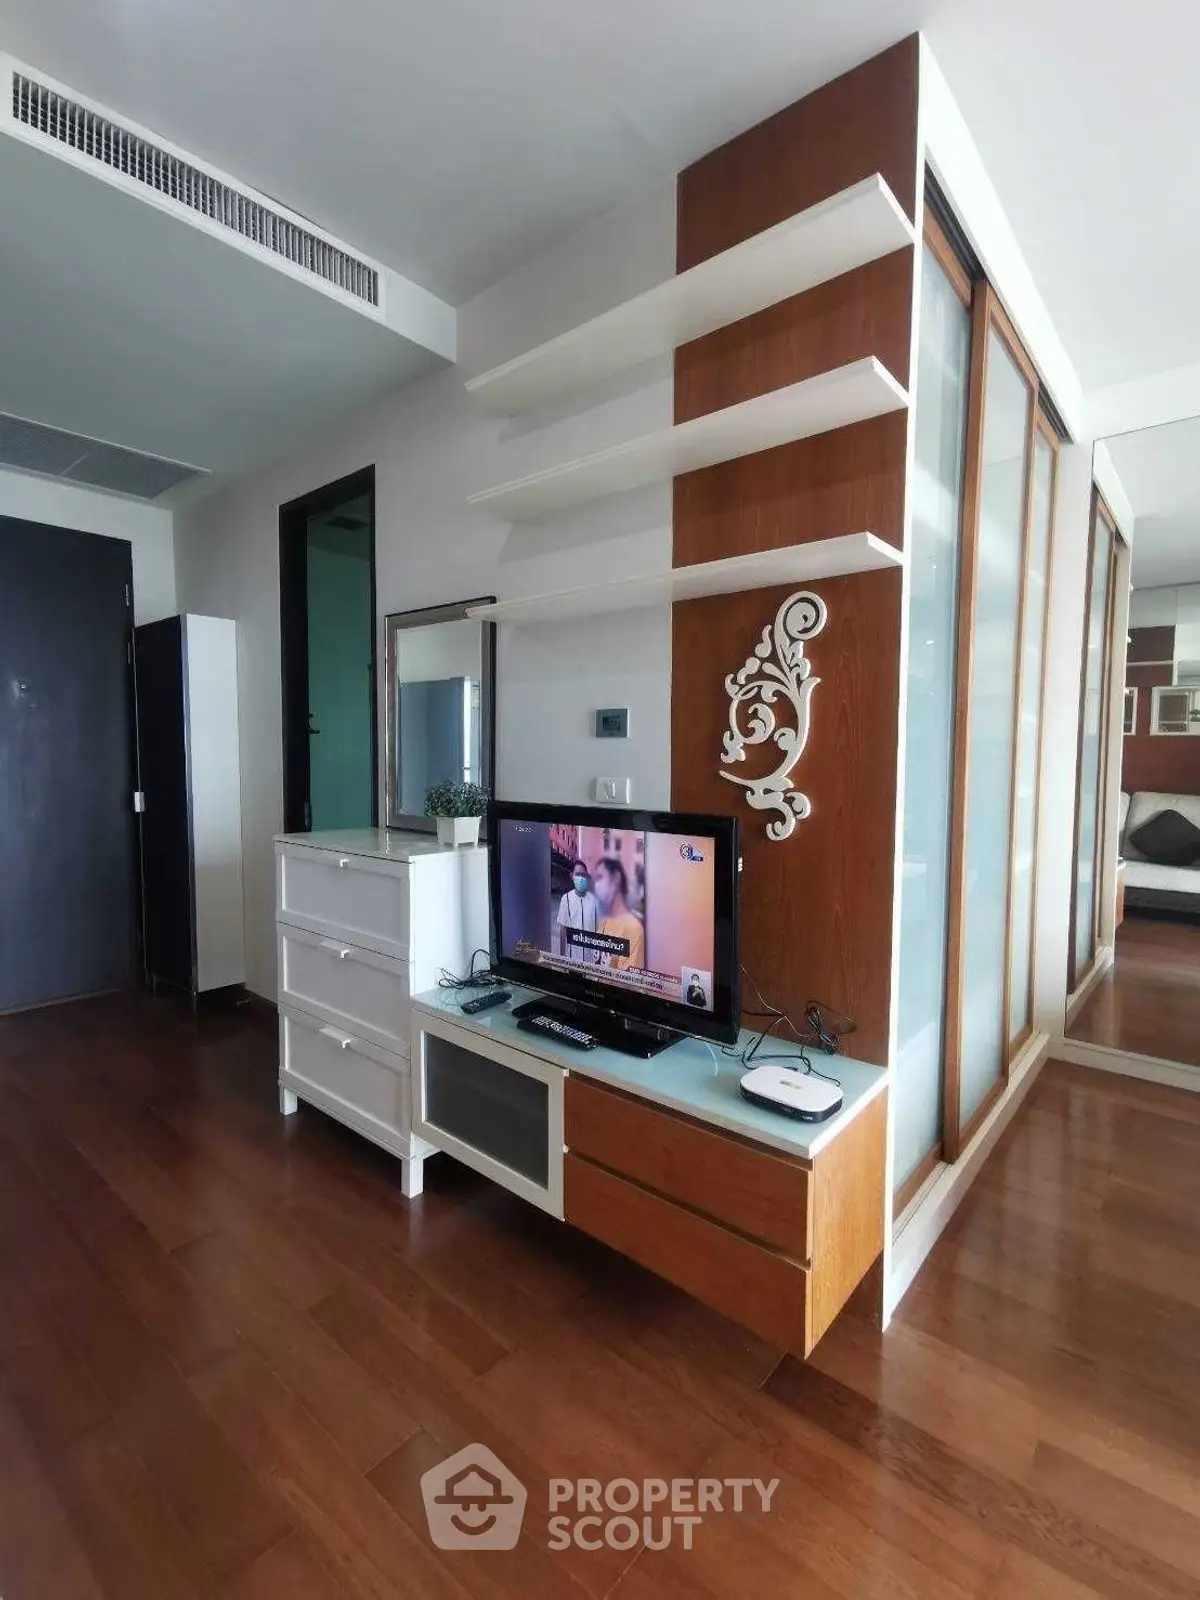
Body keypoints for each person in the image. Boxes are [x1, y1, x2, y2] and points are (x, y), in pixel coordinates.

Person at [593, 857, 645, 971]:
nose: (596, 885)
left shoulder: (633, 928)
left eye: (600, 877)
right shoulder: (604, 922)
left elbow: (626, 983)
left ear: (616, 878)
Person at [556, 860, 601, 963]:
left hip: (591, 960)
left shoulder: (594, 901)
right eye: (577, 874)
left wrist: (598, 959)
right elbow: (563, 929)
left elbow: (598, 931)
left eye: (583, 875)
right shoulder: (566, 899)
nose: (580, 878)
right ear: (572, 876)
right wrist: (562, 957)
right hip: (573, 959)